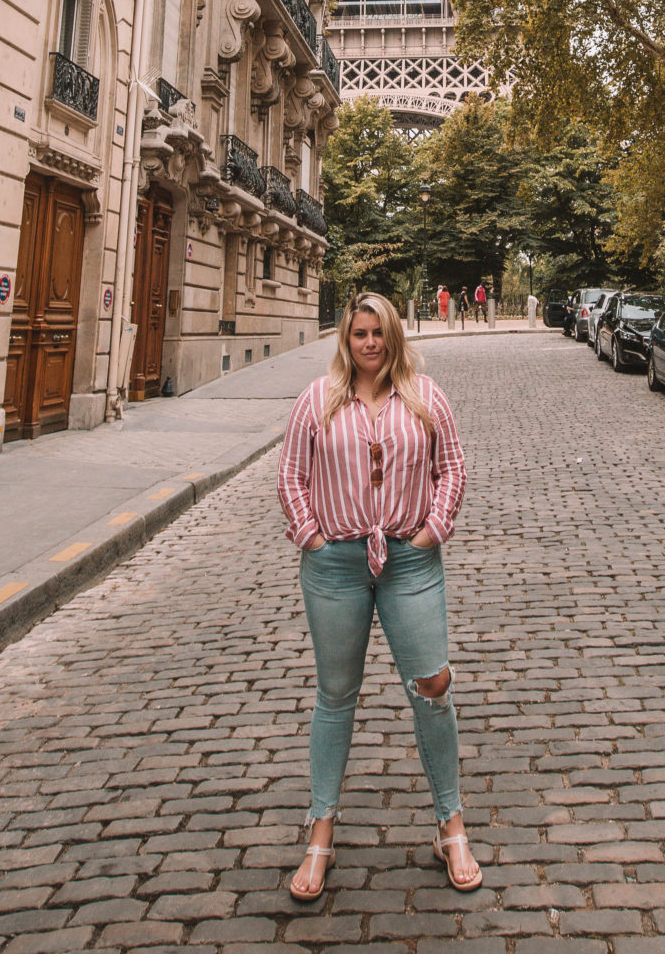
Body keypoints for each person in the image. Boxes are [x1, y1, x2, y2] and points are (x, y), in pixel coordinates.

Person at [277, 294, 482, 902]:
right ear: (347, 339)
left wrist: (431, 530)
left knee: (433, 687)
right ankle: (320, 834)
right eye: (359, 334)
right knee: (335, 695)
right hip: (335, 566)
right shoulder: (317, 399)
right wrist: (311, 535)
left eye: (378, 333)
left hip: (409, 562)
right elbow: (291, 472)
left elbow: (453, 467)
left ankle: (452, 826)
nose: (369, 343)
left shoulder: (425, 396)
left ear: (393, 336)